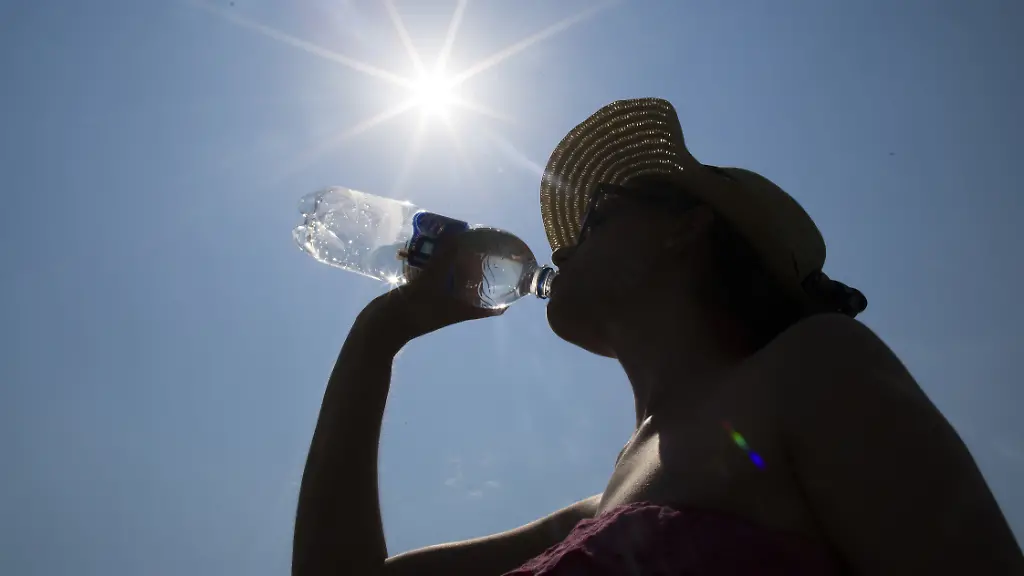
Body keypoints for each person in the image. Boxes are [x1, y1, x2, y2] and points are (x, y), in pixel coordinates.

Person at [291, 98, 1023, 575]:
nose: (565, 245)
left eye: (597, 213)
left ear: (687, 229)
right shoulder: (594, 511)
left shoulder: (817, 366)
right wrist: (381, 332)